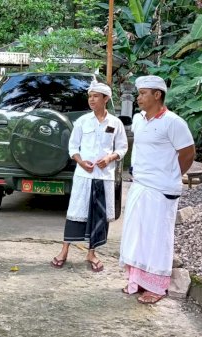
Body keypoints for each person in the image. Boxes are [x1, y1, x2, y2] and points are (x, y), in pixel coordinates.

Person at [119, 75, 195, 304]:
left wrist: (171, 175)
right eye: (139, 93)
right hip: (140, 185)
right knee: (137, 235)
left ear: (157, 95)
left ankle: (157, 287)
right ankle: (138, 281)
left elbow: (188, 153)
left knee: (157, 237)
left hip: (161, 189)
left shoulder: (173, 122)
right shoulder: (139, 119)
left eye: (143, 93)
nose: (138, 97)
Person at [51, 81, 128, 272]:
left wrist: (110, 157)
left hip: (104, 176)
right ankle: (64, 250)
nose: (91, 99)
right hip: (84, 176)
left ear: (106, 99)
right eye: (90, 96)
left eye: (95, 96)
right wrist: (80, 161)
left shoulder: (115, 123)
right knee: (76, 212)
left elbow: (122, 148)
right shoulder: (82, 122)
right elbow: (73, 147)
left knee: (99, 215)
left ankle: (91, 253)